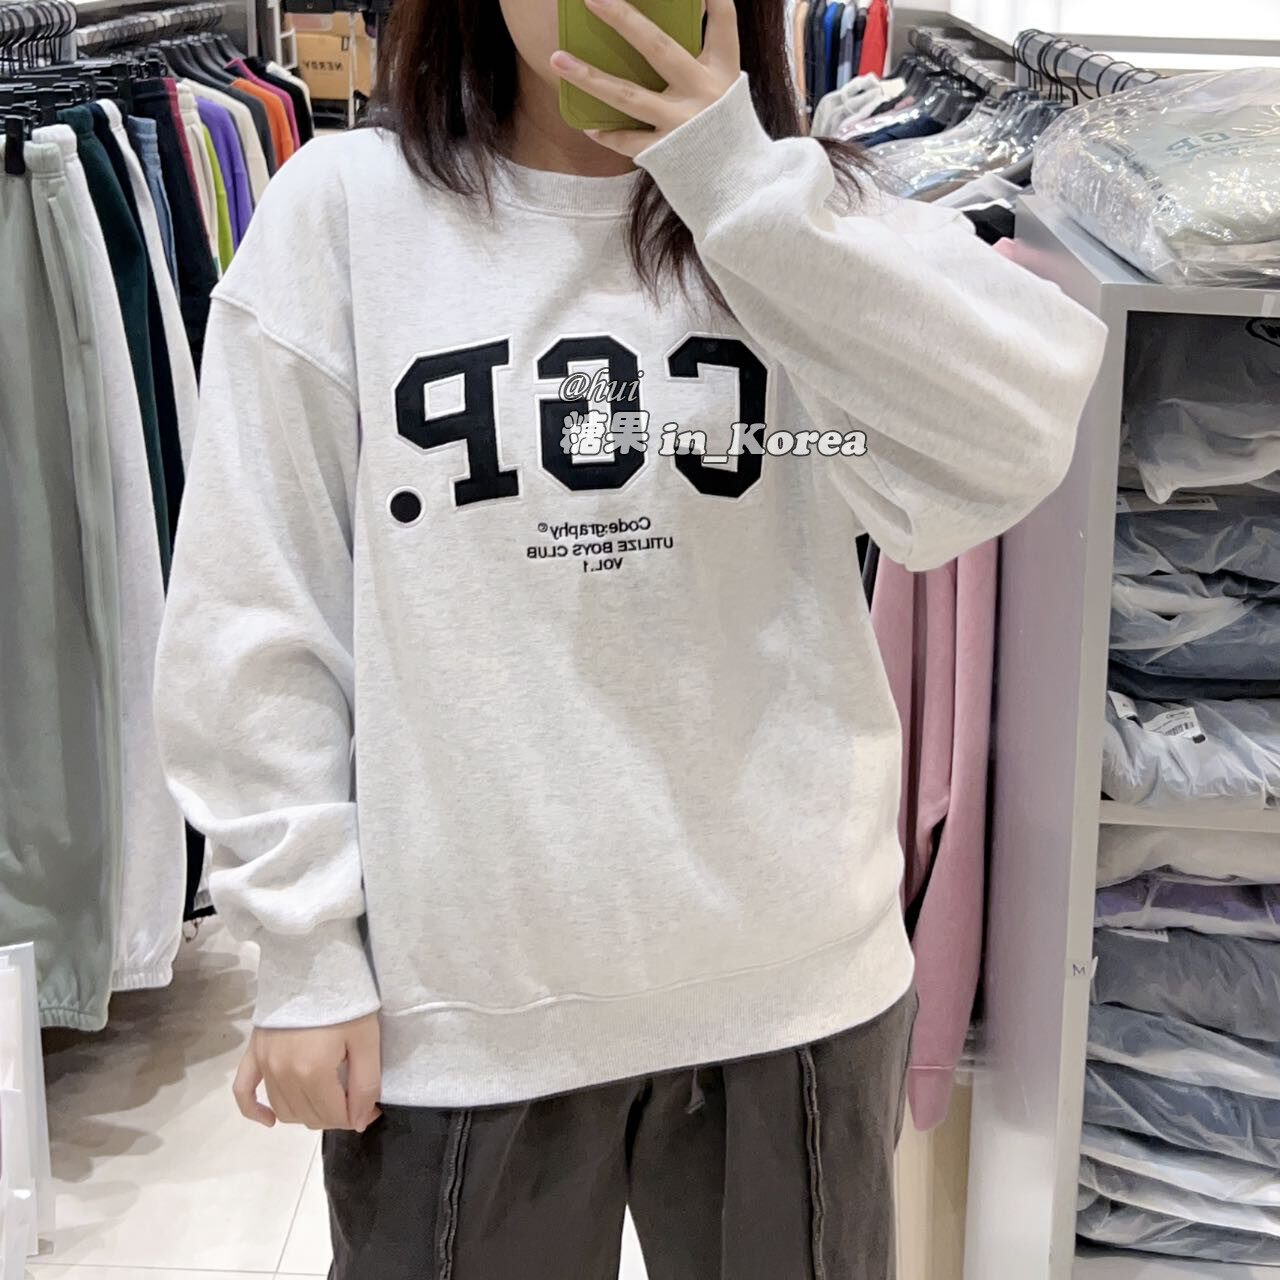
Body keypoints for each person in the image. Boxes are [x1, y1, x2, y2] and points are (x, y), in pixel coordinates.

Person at [154, 0, 1107, 1275]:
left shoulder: (802, 209)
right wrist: (305, 950)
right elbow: (256, 602)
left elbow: (1013, 434)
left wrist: (735, 180)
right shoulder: (346, 213)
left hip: (788, 984)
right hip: (466, 1000)